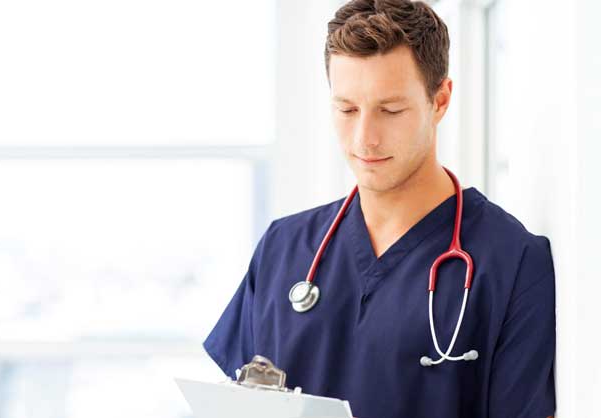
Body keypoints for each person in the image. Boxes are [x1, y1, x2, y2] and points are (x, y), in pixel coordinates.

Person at [202, 1, 556, 417]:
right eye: (347, 109)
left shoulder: (512, 261)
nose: (365, 138)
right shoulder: (283, 248)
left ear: (439, 100)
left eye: (390, 110)